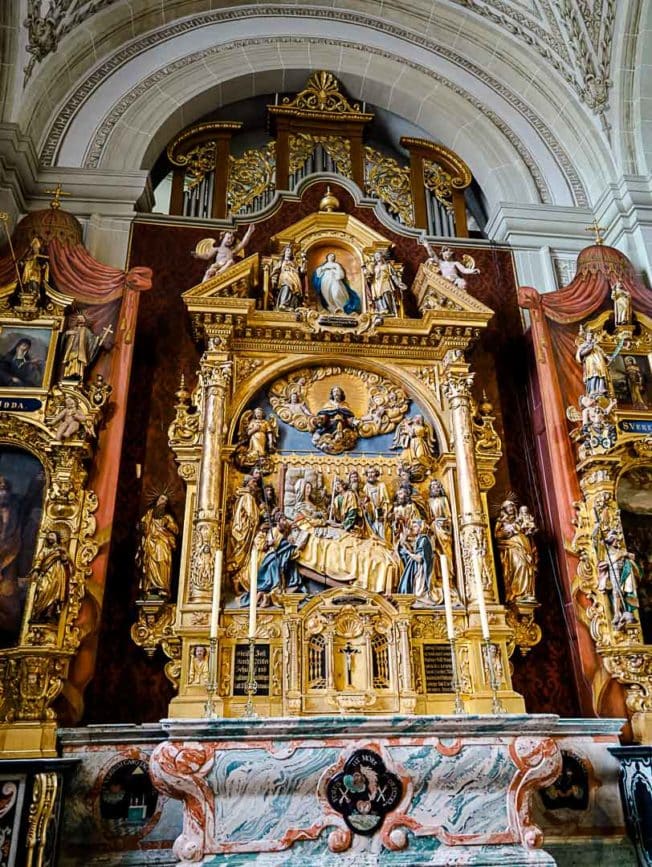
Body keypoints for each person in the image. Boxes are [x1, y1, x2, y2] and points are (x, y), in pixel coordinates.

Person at [135, 494, 179, 599]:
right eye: (162, 499)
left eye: (166, 501)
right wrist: (141, 527)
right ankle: (150, 587)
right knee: (150, 565)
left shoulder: (167, 517)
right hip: (150, 543)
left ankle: (163, 587)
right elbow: (143, 527)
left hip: (163, 543)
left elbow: (176, 530)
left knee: (163, 562)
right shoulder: (149, 514)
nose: (164, 502)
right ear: (157, 500)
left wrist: (168, 524)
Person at [494, 500, 537, 602]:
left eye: (512, 506)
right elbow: (497, 535)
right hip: (511, 547)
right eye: (508, 507)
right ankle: (518, 593)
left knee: (527, 566)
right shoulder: (501, 521)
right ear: (504, 509)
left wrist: (528, 529)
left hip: (524, 545)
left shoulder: (520, 518)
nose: (511, 509)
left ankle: (527, 592)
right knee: (520, 565)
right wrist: (508, 531)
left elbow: (528, 529)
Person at [228, 476, 261, 593]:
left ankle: (237, 580)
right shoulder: (248, 497)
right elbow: (252, 516)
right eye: (253, 482)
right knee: (243, 557)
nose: (255, 484)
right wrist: (258, 525)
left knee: (242, 556)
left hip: (240, 530)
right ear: (247, 483)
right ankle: (237, 579)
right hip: (244, 531)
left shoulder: (241, 496)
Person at [29, 530, 71, 622]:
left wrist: (63, 556)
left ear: (57, 537)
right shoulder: (45, 549)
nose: (50, 537)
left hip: (58, 572)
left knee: (55, 593)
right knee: (42, 590)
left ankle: (50, 613)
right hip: (46, 572)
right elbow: (39, 560)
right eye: (48, 535)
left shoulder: (61, 549)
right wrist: (36, 570)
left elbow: (67, 562)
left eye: (52, 535)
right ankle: (38, 613)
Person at [397, 520, 436, 601]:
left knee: (419, 591)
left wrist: (408, 553)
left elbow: (420, 559)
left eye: (415, 526)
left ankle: (421, 597)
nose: (413, 528)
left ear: (420, 528)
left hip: (421, 569)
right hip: (417, 568)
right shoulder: (419, 539)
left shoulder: (424, 540)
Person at [61, 314, 102, 381]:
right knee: (70, 362)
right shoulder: (72, 329)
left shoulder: (86, 330)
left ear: (84, 321)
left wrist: (97, 339)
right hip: (71, 350)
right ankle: (68, 374)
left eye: (81, 319)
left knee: (78, 362)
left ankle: (77, 375)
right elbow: (63, 338)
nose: (80, 321)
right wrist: (67, 334)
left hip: (80, 351)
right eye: (78, 319)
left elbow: (92, 339)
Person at [365, 250, 406, 316]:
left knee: (386, 294)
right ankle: (382, 310)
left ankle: (390, 310)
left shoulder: (387, 265)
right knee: (379, 297)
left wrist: (398, 283)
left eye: (378, 255)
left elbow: (393, 275)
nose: (377, 257)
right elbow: (370, 277)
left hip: (385, 282)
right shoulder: (374, 267)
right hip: (376, 284)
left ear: (382, 256)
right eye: (376, 256)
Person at [362, 467, 392, 542]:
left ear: (376, 474)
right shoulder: (366, 487)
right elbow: (364, 501)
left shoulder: (381, 485)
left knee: (382, 531)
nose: (371, 475)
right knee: (373, 531)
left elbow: (386, 501)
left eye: (372, 472)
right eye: (369, 473)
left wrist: (384, 513)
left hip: (381, 512)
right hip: (371, 513)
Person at [273, 245, 304, 310]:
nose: (289, 252)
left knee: (293, 291)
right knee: (286, 286)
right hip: (285, 275)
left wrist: (304, 262)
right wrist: (272, 276)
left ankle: (291, 305)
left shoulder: (294, 262)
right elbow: (275, 269)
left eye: (290, 251)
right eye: (287, 250)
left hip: (294, 277)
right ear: (285, 252)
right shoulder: (282, 261)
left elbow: (301, 270)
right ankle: (283, 304)